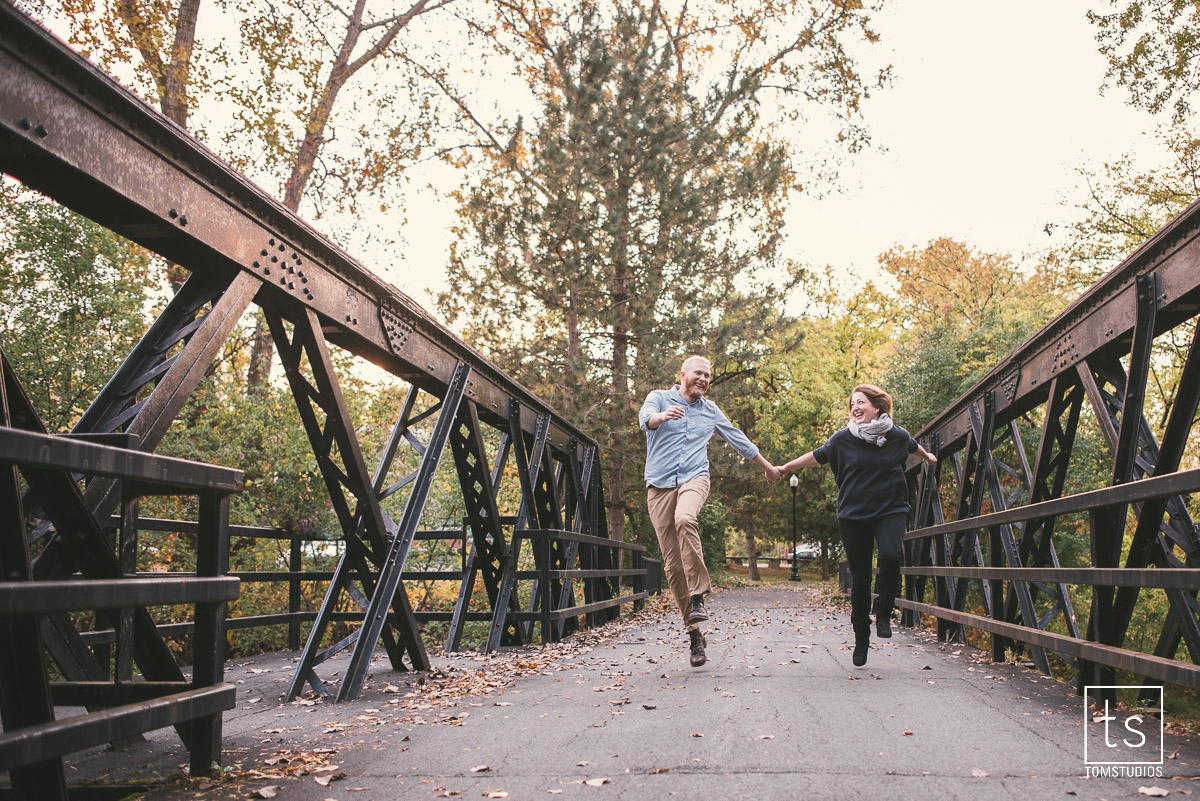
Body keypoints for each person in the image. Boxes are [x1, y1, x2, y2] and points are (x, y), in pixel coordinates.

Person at [776, 384, 936, 667]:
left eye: (861, 402)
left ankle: (884, 612)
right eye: (852, 403)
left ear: (877, 407)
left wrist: (928, 457)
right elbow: (816, 456)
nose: (855, 407)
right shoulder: (842, 439)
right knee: (860, 578)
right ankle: (861, 638)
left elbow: (913, 446)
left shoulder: (897, 435)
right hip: (853, 514)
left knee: (890, 556)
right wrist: (787, 467)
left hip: (891, 509)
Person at [639, 355, 781, 668]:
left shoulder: (710, 410)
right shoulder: (659, 398)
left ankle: (699, 596)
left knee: (686, 518)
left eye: (707, 375)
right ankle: (694, 635)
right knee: (673, 567)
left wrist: (768, 467)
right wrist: (662, 417)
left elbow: (737, 438)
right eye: (699, 373)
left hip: (694, 478)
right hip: (659, 486)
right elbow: (645, 419)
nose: (704, 379)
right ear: (683, 374)